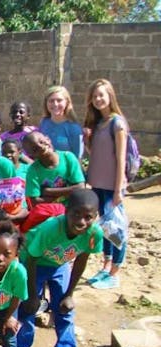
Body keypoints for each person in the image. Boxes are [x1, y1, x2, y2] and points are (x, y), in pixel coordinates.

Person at [15, 189, 103, 347]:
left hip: (59, 265)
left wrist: (69, 294)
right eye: (76, 215)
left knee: (64, 310)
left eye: (88, 217)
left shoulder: (93, 233)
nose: (81, 222)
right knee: (28, 309)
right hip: (33, 264)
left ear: (95, 217)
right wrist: (31, 295)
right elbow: (31, 260)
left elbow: (81, 260)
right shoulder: (50, 229)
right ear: (66, 212)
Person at [84, 79, 130, 290]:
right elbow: (98, 156)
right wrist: (87, 141)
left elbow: (120, 158)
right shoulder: (98, 124)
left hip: (112, 186)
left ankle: (115, 272)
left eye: (101, 95)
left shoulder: (117, 123)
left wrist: (119, 188)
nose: (98, 99)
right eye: (95, 97)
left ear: (110, 96)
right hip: (97, 184)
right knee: (105, 228)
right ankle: (105, 266)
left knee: (117, 230)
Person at [23, 131, 85, 207]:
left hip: (72, 208)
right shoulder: (33, 170)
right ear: (31, 156)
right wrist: (68, 192)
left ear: (48, 139)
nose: (41, 147)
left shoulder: (68, 157)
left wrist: (48, 191)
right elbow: (34, 201)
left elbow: (80, 187)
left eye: (41, 141)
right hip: (50, 212)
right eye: (35, 149)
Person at [40, 86, 83, 159]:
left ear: (67, 102)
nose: (55, 104)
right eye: (51, 101)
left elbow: (78, 158)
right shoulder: (44, 123)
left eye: (59, 100)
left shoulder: (74, 129)